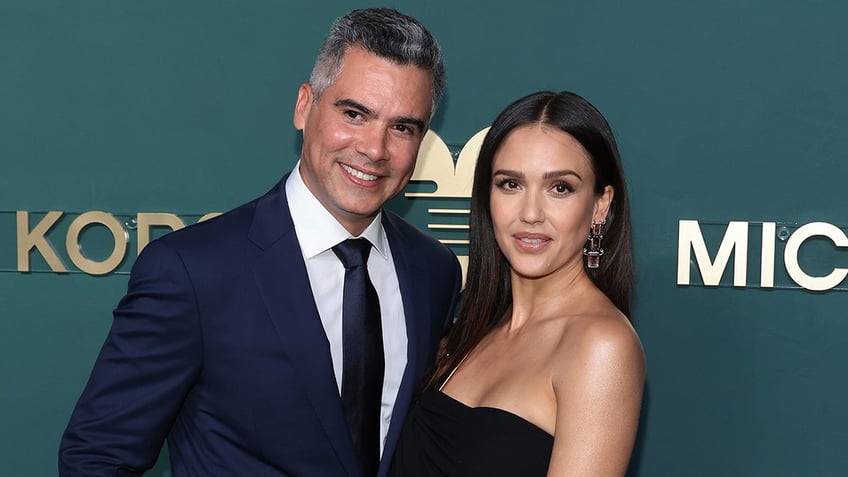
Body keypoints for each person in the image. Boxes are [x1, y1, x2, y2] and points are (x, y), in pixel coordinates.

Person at [59, 8, 461, 477]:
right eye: (354, 113)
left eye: (402, 127)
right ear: (305, 106)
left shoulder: (433, 271)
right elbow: (97, 458)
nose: (375, 148)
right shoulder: (192, 272)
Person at [389, 91, 646, 476]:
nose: (530, 214)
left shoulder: (600, 346)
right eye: (510, 184)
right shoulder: (468, 331)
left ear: (600, 204)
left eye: (560, 188)